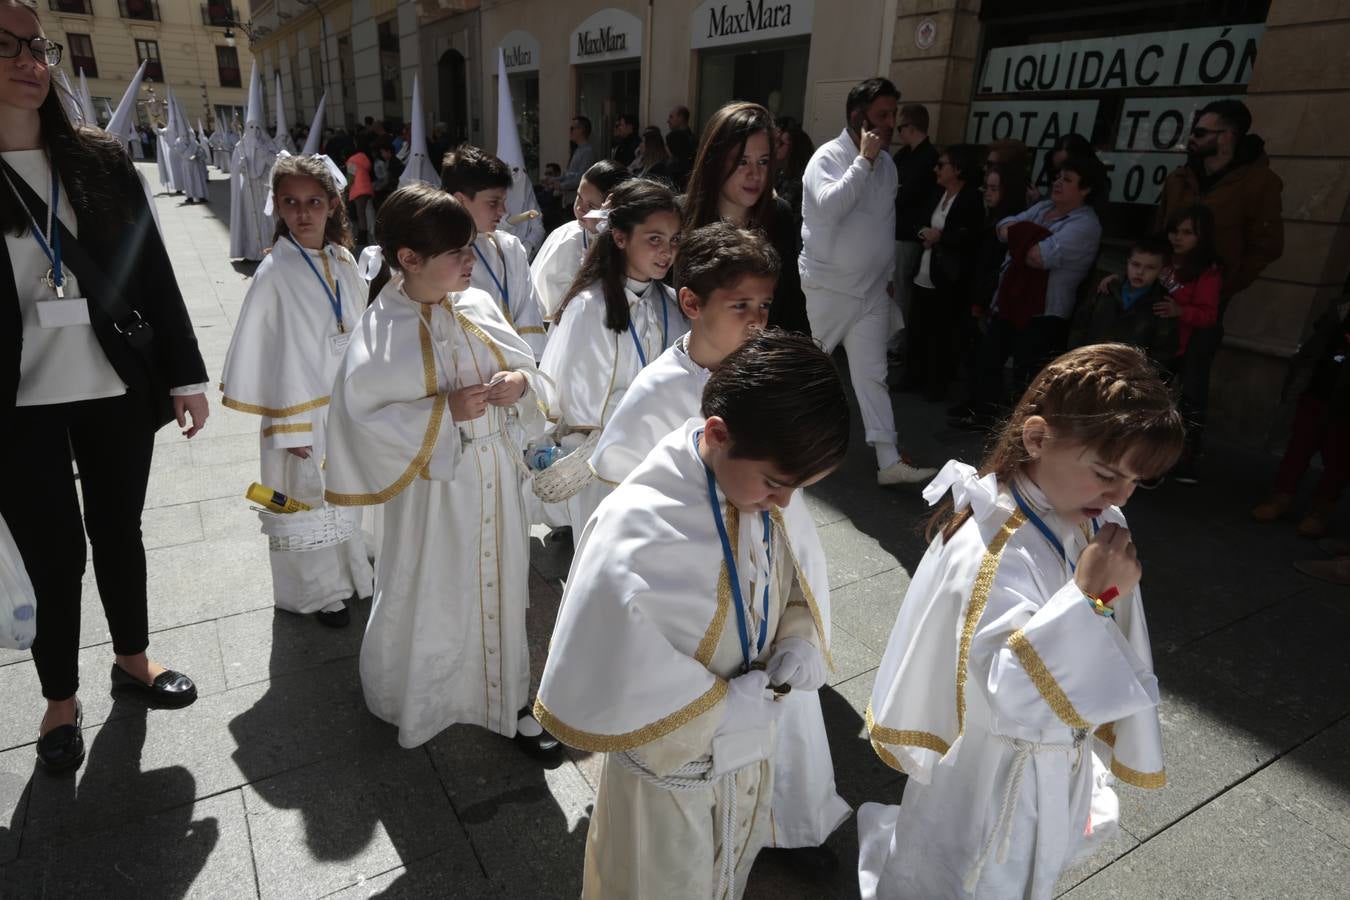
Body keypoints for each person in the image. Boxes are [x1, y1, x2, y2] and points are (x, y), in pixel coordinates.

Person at [859, 343, 1181, 900]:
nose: (1119, 495)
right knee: (969, 876)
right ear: (1036, 439)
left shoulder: (1086, 513)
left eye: (1136, 481)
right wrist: (1093, 596)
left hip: (1045, 757)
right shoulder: (994, 547)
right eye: (1106, 473)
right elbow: (1010, 695)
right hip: (994, 772)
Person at [535, 329, 847, 900]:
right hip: (667, 778)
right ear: (718, 433)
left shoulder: (752, 486)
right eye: (778, 484)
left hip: (740, 759)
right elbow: (618, 659)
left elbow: (785, 576)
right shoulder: (636, 525)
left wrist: (798, 636)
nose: (784, 503)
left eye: (799, 488)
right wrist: (724, 705)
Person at [589, 224, 851, 875]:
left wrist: (793, 620)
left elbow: (775, 504)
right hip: (694, 600)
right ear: (692, 303)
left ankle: (783, 825)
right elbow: (628, 487)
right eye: (742, 306)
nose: (758, 320)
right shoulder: (660, 388)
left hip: (755, 586)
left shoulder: (759, 382)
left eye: (766, 307)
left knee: (780, 730)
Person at [0, 0, 210, 772]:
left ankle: (132, 660)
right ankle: (59, 699)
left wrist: (185, 373)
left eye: (37, 45)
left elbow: (149, 269)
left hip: (113, 386)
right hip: (16, 406)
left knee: (119, 532)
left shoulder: (96, 158)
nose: (30, 60)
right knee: (52, 557)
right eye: (6, 46)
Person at [322, 184, 556, 757]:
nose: (470, 262)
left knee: (502, 584)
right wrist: (443, 412)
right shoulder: (383, 328)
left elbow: (536, 373)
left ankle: (509, 699)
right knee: (432, 587)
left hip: (495, 478)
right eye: (457, 252)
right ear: (409, 259)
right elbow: (359, 417)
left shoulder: (477, 305)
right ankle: (420, 696)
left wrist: (522, 384)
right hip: (432, 489)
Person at [218, 154, 374, 628]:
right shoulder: (275, 272)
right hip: (298, 414)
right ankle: (317, 591)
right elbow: (273, 352)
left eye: (313, 202)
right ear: (277, 208)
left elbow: (361, 327)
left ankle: (356, 573)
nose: (303, 213)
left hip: (343, 405)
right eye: (291, 203)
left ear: (332, 205)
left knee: (347, 492)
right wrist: (290, 426)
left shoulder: (344, 260)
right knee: (301, 499)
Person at [799, 77, 935, 485]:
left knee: (872, 374)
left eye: (894, 114)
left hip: (872, 291)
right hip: (830, 288)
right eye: (882, 115)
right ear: (858, 118)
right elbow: (828, 208)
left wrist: (889, 276)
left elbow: (883, 224)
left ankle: (888, 458)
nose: (891, 123)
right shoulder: (828, 157)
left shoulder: (890, 164)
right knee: (814, 368)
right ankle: (789, 440)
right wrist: (862, 162)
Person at [537, 178, 688, 534]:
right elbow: (577, 403)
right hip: (605, 465)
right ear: (620, 238)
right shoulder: (589, 307)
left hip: (662, 459)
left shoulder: (669, 302)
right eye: (654, 239)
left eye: (674, 240)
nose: (666, 251)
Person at [1154, 99, 1284, 483]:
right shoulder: (1181, 178)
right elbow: (1160, 226)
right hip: (1164, 293)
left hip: (1207, 299)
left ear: (1227, 136)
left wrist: (1223, 286)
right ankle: (1144, 449)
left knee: (1192, 381)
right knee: (1154, 374)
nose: (1192, 138)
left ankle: (1186, 454)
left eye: (1201, 132)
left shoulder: (1258, 182)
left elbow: (1267, 247)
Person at [966, 154, 1106, 427]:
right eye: (1057, 177)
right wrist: (1029, 234)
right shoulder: (1042, 209)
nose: (1058, 184)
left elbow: (1039, 257)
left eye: (1068, 180)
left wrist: (1021, 235)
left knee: (1027, 375)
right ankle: (982, 415)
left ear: (1085, 189)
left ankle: (1018, 430)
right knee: (988, 360)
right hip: (1009, 300)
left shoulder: (1086, 225)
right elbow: (1002, 228)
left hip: (1044, 311)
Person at [683, 102, 808, 336]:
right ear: (715, 160)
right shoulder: (678, 214)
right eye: (742, 161)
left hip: (758, 363)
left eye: (763, 161)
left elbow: (792, 306)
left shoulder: (778, 215)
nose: (755, 174)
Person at [1252, 292, 1350, 539]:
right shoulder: (1340, 305)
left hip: (1346, 402)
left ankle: (1320, 510)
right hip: (1319, 387)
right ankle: (1281, 496)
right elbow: (1318, 343)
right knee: (1299, 446)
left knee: (1338, 457)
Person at [441, 144, 548, 361]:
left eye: (503, 201)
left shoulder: (509, 249)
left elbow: (527, 311)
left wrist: (523, 374)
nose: (503, 211)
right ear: (460, 200)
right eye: (493, 203)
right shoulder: (433, 253)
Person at [903, 143, 985, 402]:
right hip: (924, 272)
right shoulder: (936, 194)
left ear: (958, 169)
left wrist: (941, 238)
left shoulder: (971, 198)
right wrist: (923, 234)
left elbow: (970, 236)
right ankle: (912, 376)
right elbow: (915, 222)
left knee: (942, 333)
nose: (936, 170)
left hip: (948, 276)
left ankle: (936, 384)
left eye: (942, 165)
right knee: (917, 327)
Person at [530, 159, 630, 324]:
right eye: (579, 197)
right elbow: (548, 298)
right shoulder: (567, 237)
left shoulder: (625, 238)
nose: (579, 208)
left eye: (591, 205)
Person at [1070, 236, 1178, 366]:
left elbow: (1163, 352)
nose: (1140, 272)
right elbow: (1080, 326)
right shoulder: (1107, 290)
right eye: (1135, 264)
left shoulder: (1162, 305)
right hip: (1089, 365)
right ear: (1128, 262)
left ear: (1162, 271)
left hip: (1128, 375)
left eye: (1150, 267)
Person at [891, 103, 939, 359]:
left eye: (900, 127)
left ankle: (899, 345)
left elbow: (905, 194)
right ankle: (893, 340)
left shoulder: (928, 157)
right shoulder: (904, 156)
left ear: (910, 127)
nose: (899, 133)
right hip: (895, 230)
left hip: (908, 234)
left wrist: (896, 191)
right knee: (892, 289)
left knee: (901, 291)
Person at [230, 67, 276, 261]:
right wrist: (240, 166)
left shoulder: (267, 145)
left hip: (264, 190)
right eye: (251, 127)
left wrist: (262, 150)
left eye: (258, 127)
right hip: (248, 192)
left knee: (267, 221)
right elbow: (235, 170)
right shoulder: (240, 147)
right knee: (251, 221)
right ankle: (251, 252)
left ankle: (268, 250)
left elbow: (276, 163)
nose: (255, 131)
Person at [772, 117, 814, 226]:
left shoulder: (800, 180)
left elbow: (779, 211)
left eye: (781, 143)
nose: (776, 147)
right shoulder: (781, 173)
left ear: (794, 148)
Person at [550, 116, 595, 208]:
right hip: (570, 200)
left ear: (581, 130)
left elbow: (582, 178)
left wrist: (561, 185)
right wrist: (554, 180)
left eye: (572, 128)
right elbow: (570, 174)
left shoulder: (588, 152)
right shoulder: (578, 150)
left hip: (578, 202)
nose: (570, 132)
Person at [345, 146, 374, 245]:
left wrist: (345, 187)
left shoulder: (352, 161)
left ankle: (362, 238)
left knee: (360, 214)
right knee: (365, 213)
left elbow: (351, 177)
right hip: (366, 188)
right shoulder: (363, 161)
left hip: (358, 189)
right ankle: (366, 234)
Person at [666, 104, 696, 171]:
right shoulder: (693, 139)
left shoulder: (690, 141)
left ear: (681, 118)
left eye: (671, 117)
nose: (668, 121)